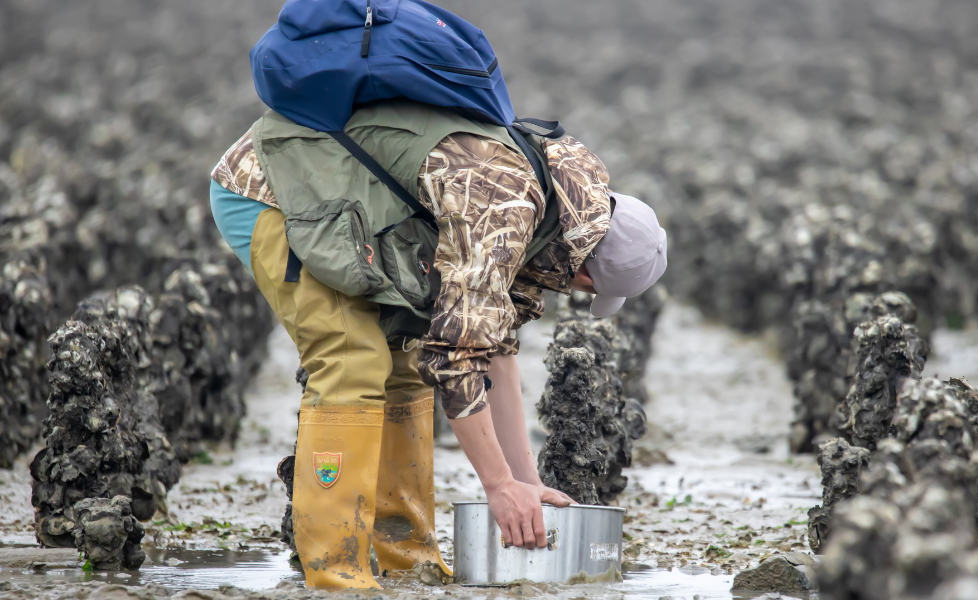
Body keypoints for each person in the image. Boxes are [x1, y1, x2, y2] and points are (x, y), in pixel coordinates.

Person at [207, 1, 667, 591]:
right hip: (273, 190)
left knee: (402, 367)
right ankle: (336, 572)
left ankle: (407, 557)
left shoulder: (564, 200)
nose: (574, 294)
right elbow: (457, 357)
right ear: (584, 273)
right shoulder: (506, 203)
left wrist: (524, 481)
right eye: (589, 291)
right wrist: (497, 487)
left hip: (345, 202)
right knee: (351, 360)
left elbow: (493, 349)